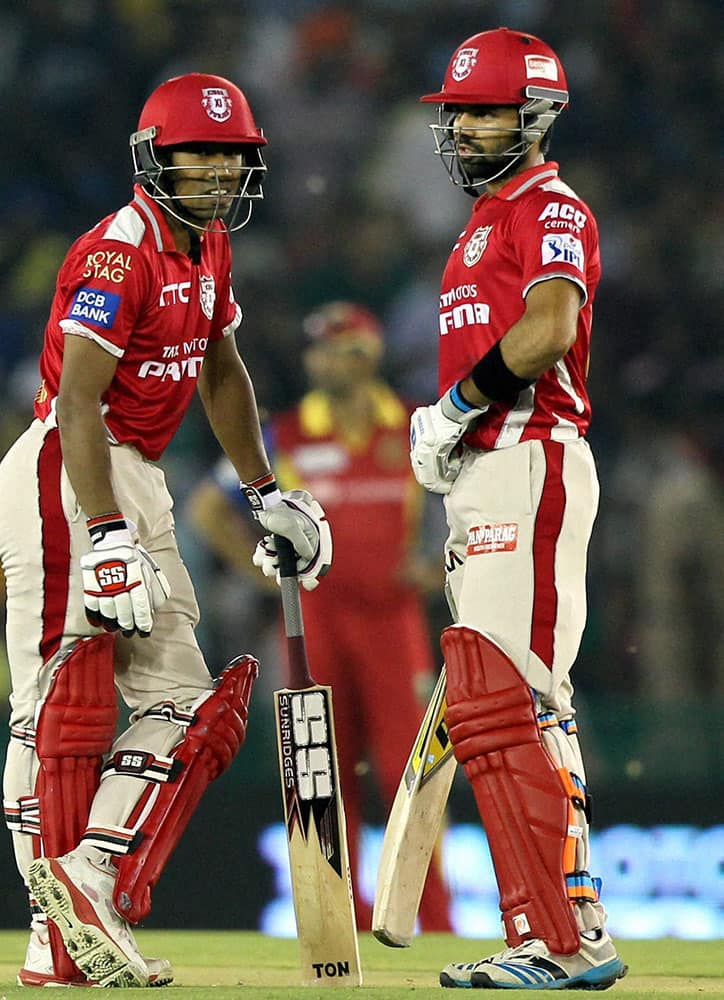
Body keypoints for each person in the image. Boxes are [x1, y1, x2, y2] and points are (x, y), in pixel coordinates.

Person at [0, 73, 331, 988]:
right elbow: (77, 401)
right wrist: (103, 532)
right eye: (199, 153)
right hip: (70, 466)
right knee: (54, 711)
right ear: (155, 159)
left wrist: (264, 492)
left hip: (134, 474)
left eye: (231, 155)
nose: (218, 170)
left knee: (187, 705)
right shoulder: (117, 251)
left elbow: (222, 371)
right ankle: (52, 923)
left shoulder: (209, 247)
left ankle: (89, 881)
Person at [408, 28, 628, 990]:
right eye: (456, 113)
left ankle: (566, 938)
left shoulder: (550, 205)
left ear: (534, 116)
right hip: (491, 473)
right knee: (508, 709)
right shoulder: (486, 218)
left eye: (482, 111)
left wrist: (455, 409)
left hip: (530, 463)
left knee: (522, 704)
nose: (461, 129)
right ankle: (549, 930)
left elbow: (550, 329)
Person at [188, 301, 453, 933]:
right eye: (320, 347)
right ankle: (335, 923)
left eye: (341, 345)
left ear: (370, 351)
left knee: (410, 773)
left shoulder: (414, 427)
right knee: (322, 771)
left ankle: (433, 920)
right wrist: (264, 574)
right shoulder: (284, 434)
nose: (328, 358)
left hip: (395, 624)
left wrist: (441, 564)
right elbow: (205, 508)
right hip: (315, 621)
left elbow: (462, 495)